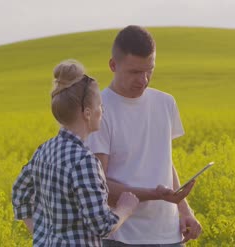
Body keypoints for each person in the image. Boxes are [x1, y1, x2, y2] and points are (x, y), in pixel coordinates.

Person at [86, 25, 202, 246]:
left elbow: (163, 162)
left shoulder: (166, 103)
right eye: (135, 72)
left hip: (171, 236)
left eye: (150, 70)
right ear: (113, 65)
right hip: (122, 236)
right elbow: (100, 188)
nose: (144, 80)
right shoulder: (98, 111)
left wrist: (184, 209)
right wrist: (156, 194)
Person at [12, 59, 139, 247]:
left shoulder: (44, 150)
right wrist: (125, 209)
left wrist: (40, 234)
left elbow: (19, 192)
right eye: (100, 106)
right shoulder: (84, 161)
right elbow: (102, 226)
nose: (102, 111)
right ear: (87, 113)